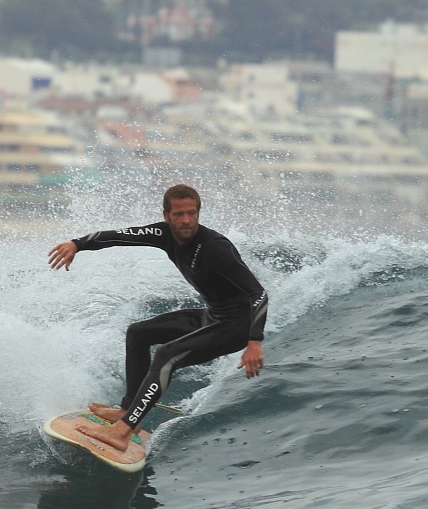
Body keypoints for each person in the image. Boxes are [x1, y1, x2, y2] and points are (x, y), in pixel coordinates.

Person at [47, 184, 268, 453]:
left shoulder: (215, 247)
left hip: (236, 325)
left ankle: (122, 431)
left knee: (167, 355)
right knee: (138, 333)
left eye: (192, 213)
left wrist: (254, 341)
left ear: (198, 213)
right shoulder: (163, 234)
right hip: (213, 315)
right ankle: (127, 412)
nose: (186, 220)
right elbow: (119, 236)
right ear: (166, 216)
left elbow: (258, 293)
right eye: (178, 214)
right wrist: (77, 244)